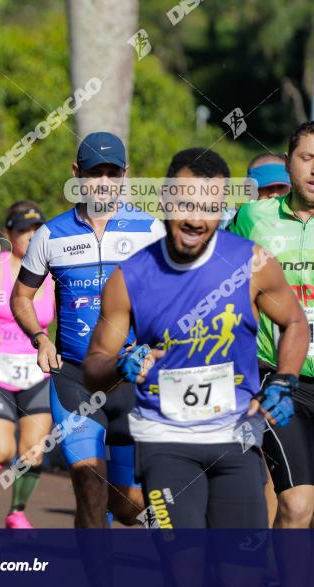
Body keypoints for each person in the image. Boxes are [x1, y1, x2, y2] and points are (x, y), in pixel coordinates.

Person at [83, 147, 305, 584]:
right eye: (186, 203)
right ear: (165, 200)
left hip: (236, 440)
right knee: (185, 568)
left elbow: (295, 321)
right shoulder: (130, 276)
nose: (196, 219)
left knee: (242, 573)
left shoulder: (252, 263)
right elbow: (93, 366)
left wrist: (284, 379)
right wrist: (122, 363)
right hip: (164, 441)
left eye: (209, 207)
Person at [11, 131, 165, 528]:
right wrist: (39, 338)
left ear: (125, 175)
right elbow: (21, 297)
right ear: (77, 174)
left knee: (128, 507)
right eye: (96, 173)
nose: (104, 183)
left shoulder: (149, 231)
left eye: (113, 174)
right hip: (74, 379)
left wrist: (158, 348)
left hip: (131, 379)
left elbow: (173, 298)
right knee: (88, 485)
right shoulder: (50, 235)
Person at [229, 122, 314, 580]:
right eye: (308, 159)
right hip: (283, 381)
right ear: (289, 163)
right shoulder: (252, 219)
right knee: (296, 503)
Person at [0, 201, 54, 528]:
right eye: (23, 230)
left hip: (37, 373)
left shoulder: (52, 273)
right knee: (2, 451)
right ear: (8, 233)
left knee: (34, 451)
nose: (31, 236)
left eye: (36, 230)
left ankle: (17, 513)